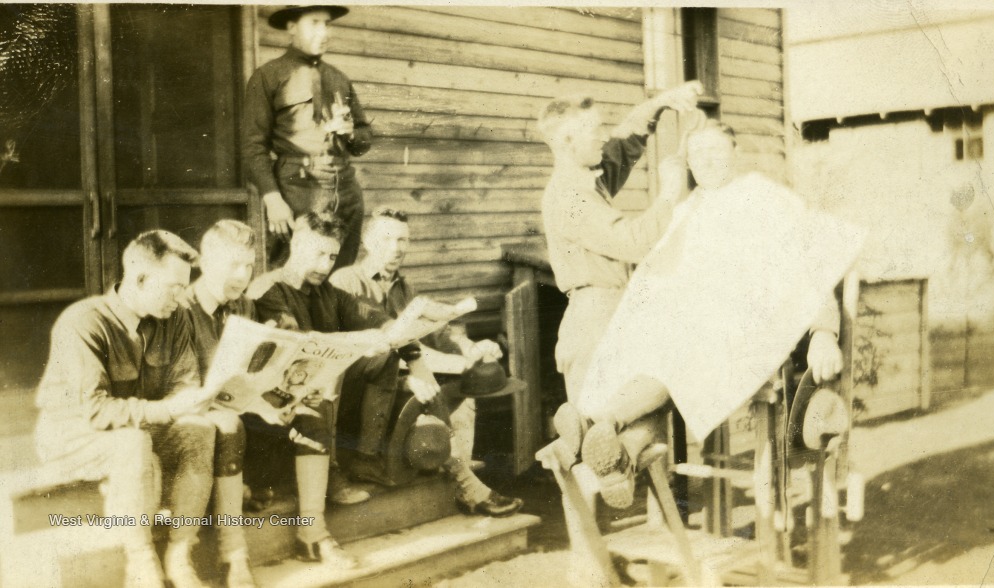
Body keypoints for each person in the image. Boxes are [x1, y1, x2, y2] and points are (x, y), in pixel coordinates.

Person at [558, 120, 845, 509]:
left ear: (736, 154)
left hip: (754, 332)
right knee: (645, 350)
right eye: (698, 155)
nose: (707, 161)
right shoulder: (689, 209)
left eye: (717, 152)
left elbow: (812, 269)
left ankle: (596, 421)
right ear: (688, 163)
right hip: (699, 328)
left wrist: (823, 332)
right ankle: (620, 452)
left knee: (670, 351)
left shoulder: (765, 200)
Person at [33, 231, 218, 588]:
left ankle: (179, 555)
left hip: (138, 430)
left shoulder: (175, 317)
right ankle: (142, 565)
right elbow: (97, 410)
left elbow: (185, 384)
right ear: (140, 278)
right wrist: (166, 412)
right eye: (173, 287)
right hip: (73, 434)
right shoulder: (84, 321)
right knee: (131, 444)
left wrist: (188, 404)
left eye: (185, 288)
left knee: (200, 431)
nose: (181, 300)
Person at [330, 206, 524, 517]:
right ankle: (467, 485)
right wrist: (417, 372)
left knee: (464, 385)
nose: (396, 248)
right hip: (358, 395)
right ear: (367, 240)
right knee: (427, 390)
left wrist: (471, 348)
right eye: (387, 238)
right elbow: (362, 349)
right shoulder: (347, 281)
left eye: (403, 240)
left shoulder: (405, 289)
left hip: (402, 380)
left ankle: (456, 472)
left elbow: (441, 335)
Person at [246, 211, 401, 566]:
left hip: (312, 409)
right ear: (296, 245)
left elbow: (372, 315)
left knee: (378, 359)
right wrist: (360, 340)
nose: (325, 264)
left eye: (332, 256)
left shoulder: (326, 291)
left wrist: (389, 331)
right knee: (324, 372)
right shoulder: (269, 290)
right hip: (266, 417)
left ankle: (360, 463)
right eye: (317, 253)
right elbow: (301, 344)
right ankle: (325, 491)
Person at [538, 82, 703, 406]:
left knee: (625, 428)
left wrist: (660, 103)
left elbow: (624, 143)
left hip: (610, 312)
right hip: (594, 322)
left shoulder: (587, 179)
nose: (603, 136)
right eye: (595, 130)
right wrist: (669, 191)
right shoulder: (570, 197)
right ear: (568, 141)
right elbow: (635, 242)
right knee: (599, 437)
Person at [243, 4, 372, 269]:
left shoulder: (339, 78)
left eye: (327, 24)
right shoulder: (268, 76)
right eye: (314, 22)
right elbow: (251, 146)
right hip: (297, 191)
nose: (324, 32)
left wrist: (350, 133)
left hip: (345, 189)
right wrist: (272, 197)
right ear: (291, 27)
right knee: (294, 279)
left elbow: (363, 139)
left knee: (341, 278)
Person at [175, 220, 259, 588]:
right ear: (205, 263)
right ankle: (234, 553)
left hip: (229, 412)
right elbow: (179, 388)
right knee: (228, 426)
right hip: (182, 420)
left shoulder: (243, 306)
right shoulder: (179, 308)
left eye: (250, 266)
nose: (242, 276)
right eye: (233, 265)